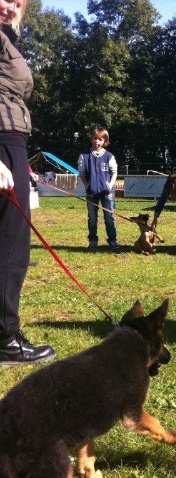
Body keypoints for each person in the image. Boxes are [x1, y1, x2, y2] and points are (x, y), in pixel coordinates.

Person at [0, 0, 56, 366]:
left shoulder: (8, 37)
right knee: (11, 244)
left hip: (12, 142)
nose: (10, 7)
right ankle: (5, 338)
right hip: (2, 140)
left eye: (17, 1)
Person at [78, 127, 119, 250]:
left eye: (100, 139)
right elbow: (82, 173)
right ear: (91, 139)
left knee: (109, 218)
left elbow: (114, 172)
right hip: (92, 193)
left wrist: (110, 185)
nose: (97, 141)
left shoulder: (109, 156)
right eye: (95, 138)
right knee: (92, 218)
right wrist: (88, 186)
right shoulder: (84, 156)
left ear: (105, 141)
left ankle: (112, 241)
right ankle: (92, 241)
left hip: (107, 193)